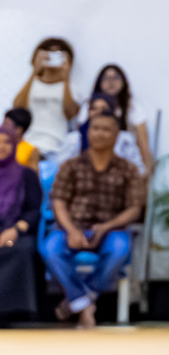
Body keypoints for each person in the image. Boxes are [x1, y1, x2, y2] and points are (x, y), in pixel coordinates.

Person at [40, 111, 145, 328]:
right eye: (95, 128)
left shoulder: (128, 169)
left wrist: (106, 227)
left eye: (106, 129)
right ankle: (83, 303)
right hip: (73, 227)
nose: (99, 134)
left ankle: (79, 298)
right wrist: (71, 230)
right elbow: (58, 201)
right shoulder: (71, 165)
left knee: (119, 249)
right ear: (88, 133)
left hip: (111, 229)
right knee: (50, 248)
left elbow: (134, 208)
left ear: (116, 136)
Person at [12, 38, 79, 164]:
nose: (53, 57)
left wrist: (66, 77)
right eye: (48, 52)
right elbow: (17, 108)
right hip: (28, 146)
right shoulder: (31, 84)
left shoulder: (70, 88)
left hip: (56, 149)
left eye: (59, 53)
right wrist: (35, 72)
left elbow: (71, 114)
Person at [0, 125, 42, 320]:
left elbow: (34, 210)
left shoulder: (26, 175)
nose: (2, 146)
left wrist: (15, 230)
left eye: (7, 142)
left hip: (14, 231)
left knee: (17, 249)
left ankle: (12, 312)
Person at [89, 65, 153, 175]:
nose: (111, 82)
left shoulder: (133, 108)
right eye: (106, 78)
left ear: (124, 82)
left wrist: (147, 170)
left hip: (124, 161)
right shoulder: (90, 105)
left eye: (115, 78)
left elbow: (143, 142)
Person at [55, 94, 143, 170]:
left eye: (103, 108)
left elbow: (138, 171)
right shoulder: (74, 139)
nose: (98, 112)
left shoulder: (125, 139)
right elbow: (61, 168)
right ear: (88, 111)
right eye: (94, 108)